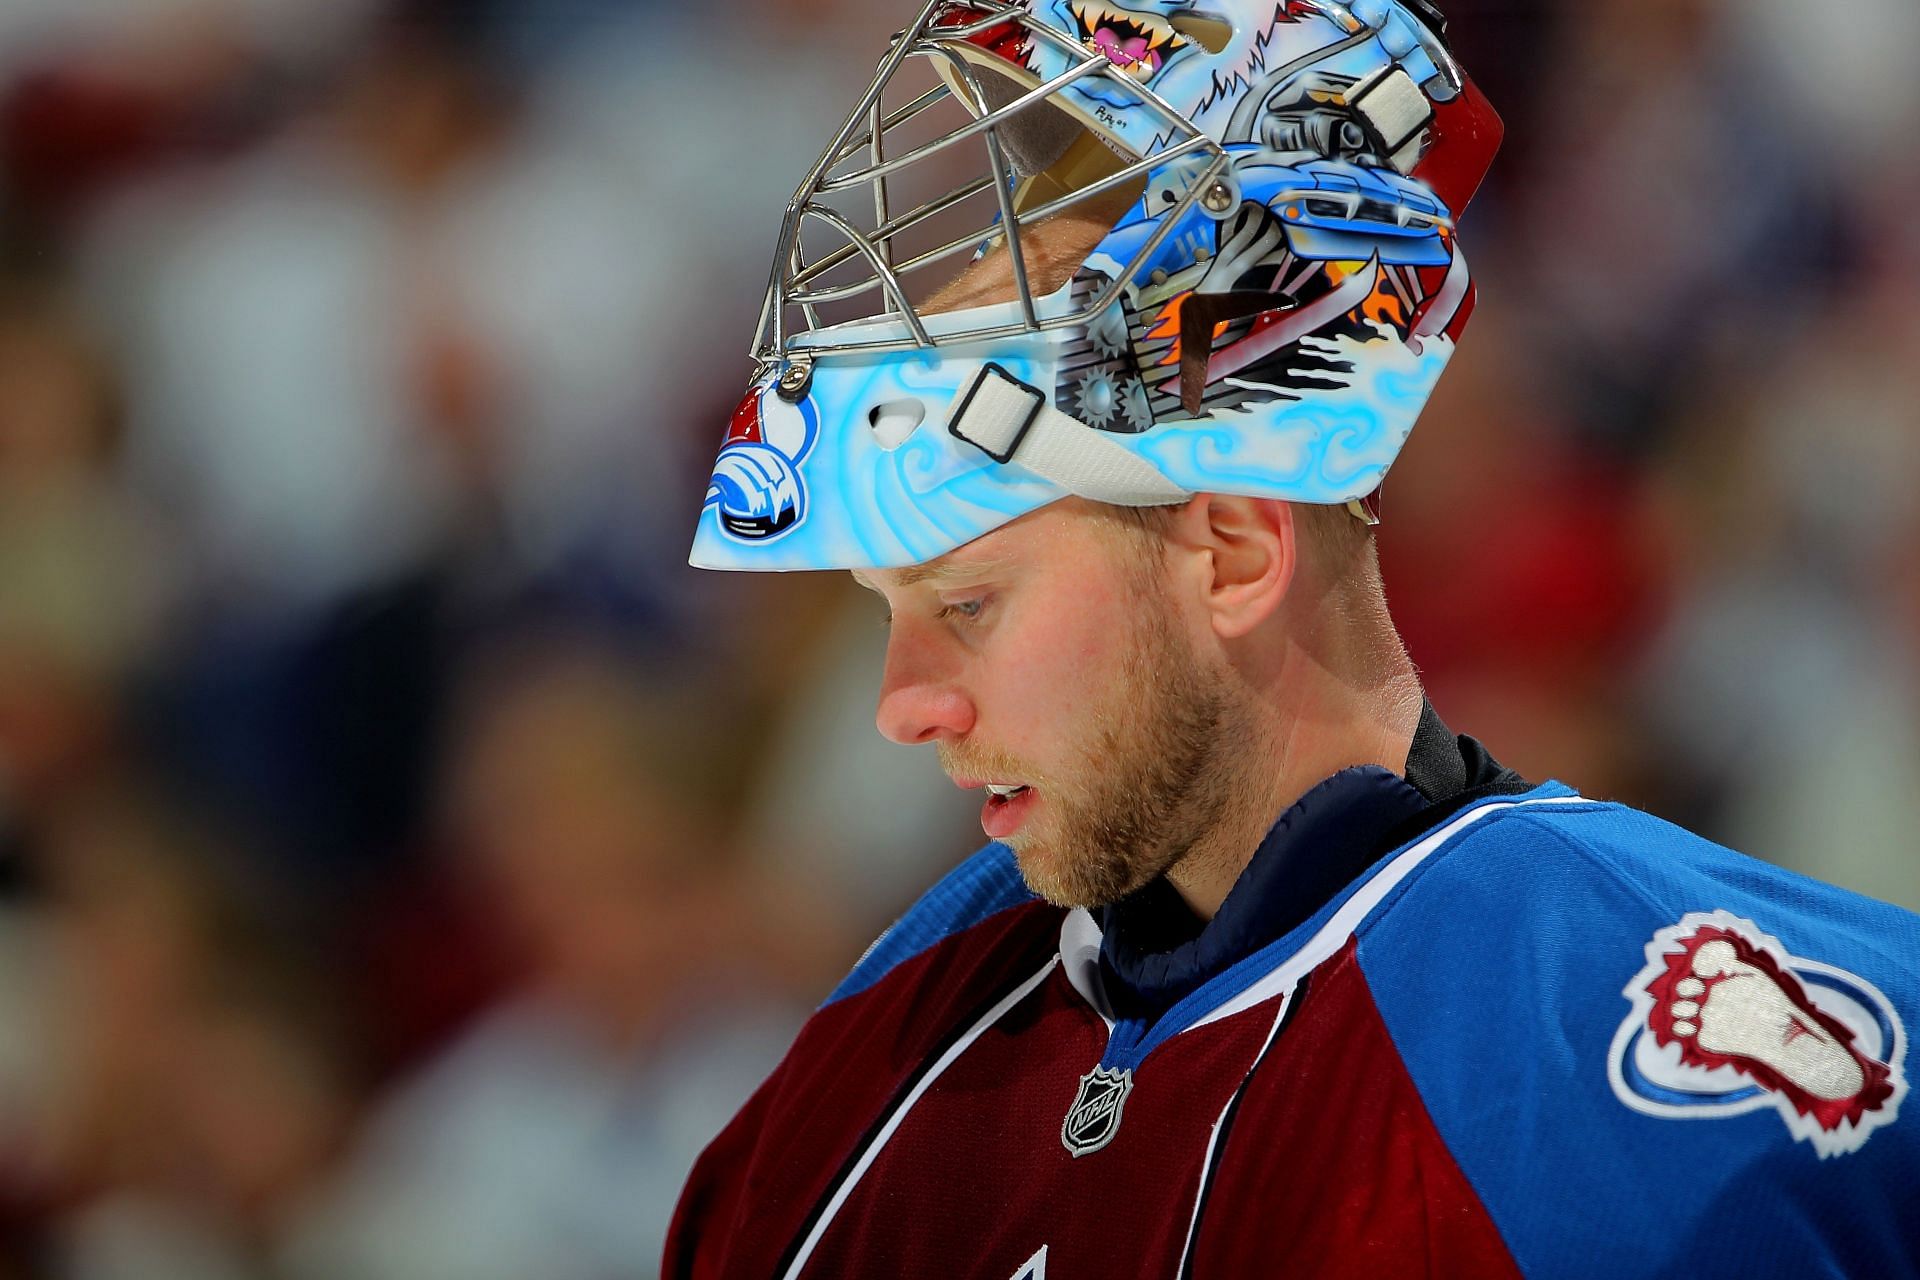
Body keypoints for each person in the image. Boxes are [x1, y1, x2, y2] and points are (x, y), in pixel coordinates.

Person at [667, 1, 1920, 1275]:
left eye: (971, 602)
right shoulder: (871, 1052)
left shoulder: (1683, 1070)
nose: (902, 704)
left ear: (1236, 551)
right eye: (889, 610)